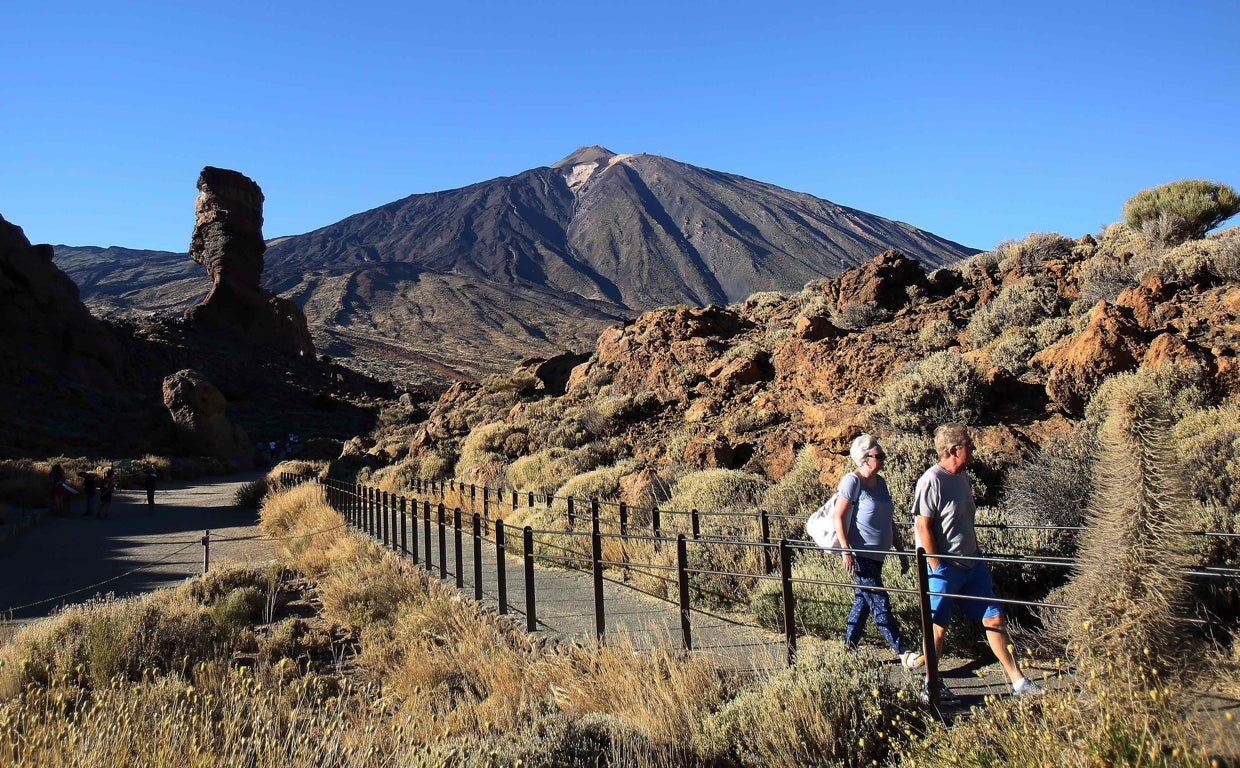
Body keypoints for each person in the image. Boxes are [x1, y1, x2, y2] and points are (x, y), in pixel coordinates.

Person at [912, 423, 1041, 703]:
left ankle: (1018, 681)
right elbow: (923, 526)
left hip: (973, 563)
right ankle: (931, 684)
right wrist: (936, 565)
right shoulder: (931, 480)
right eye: (968, 444)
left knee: (994, 617)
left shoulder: (964, 478)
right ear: (953, 450)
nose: (973, 448)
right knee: (937, 627)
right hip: (943, 567)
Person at [832, 434, 922, 669]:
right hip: (860, 554)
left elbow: (889, 519)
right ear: (864, 459)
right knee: (879, 599)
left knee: (863, 600)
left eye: (882, 455)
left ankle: (848, 648)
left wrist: (900, 550)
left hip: (878, 554)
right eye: (878, 456)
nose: (882, 459)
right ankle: (903, 651)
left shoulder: (880, 482)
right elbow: (838, 516)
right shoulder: (853, 481)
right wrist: (846, 550)